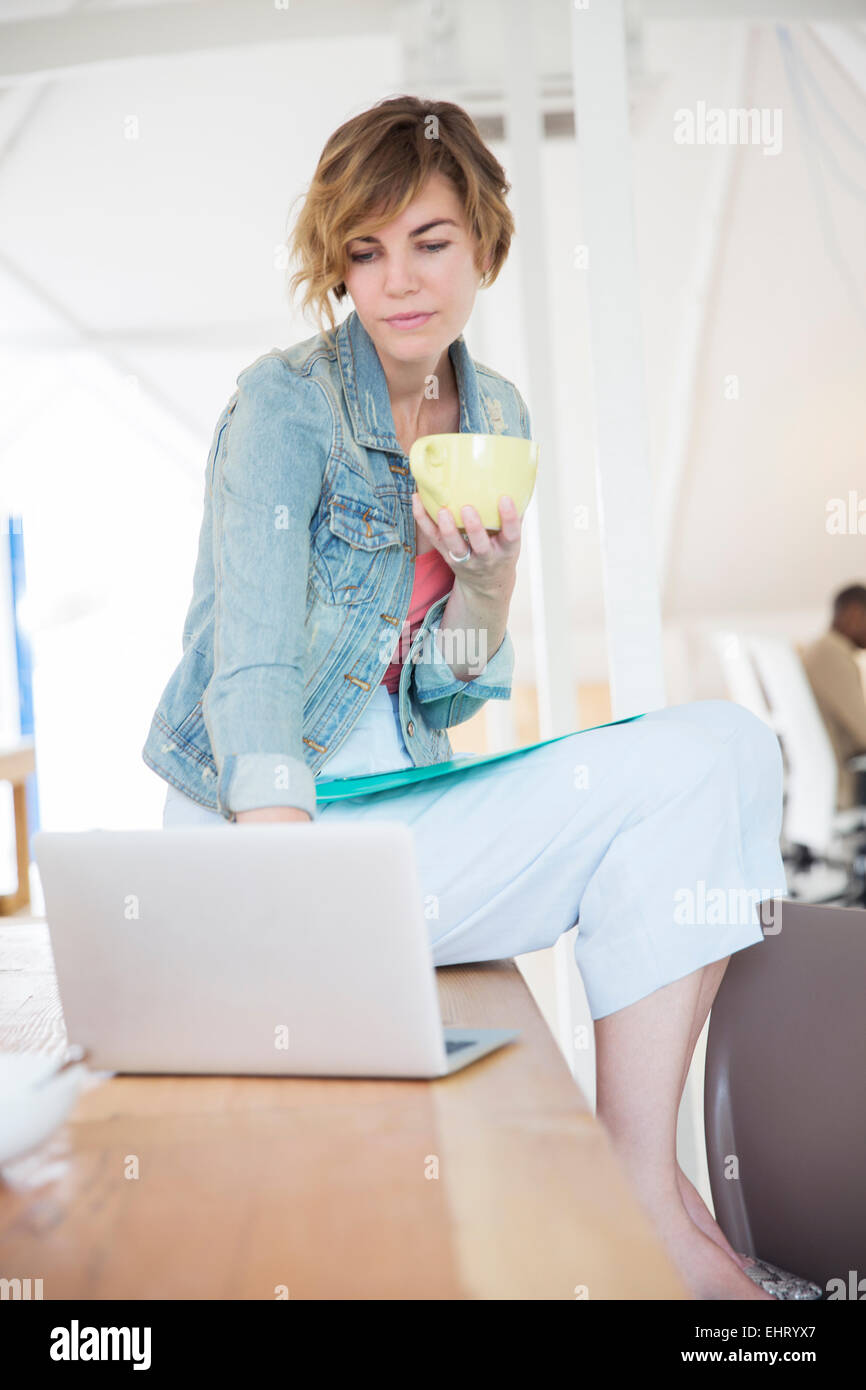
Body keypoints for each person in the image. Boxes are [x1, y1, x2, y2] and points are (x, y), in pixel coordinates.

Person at [142, 95, 796, 1300]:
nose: (396, 280)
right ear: (335, 262)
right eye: (364, 249)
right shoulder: (283, 404)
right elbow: (251, 676)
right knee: (687, 771)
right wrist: (295, 908)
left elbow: (443, 702)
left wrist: (488, 577)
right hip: (267, 841)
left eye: (428, 242)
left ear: (484, 245)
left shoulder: (494, 415)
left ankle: (637, 1175)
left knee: (723, 751)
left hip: (406, 809)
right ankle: (657, 1222)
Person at [801, 584, 866, 810]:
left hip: (824, 778)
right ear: (854, 614)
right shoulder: (831, 654)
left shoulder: (819, 649)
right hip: (844, 780)